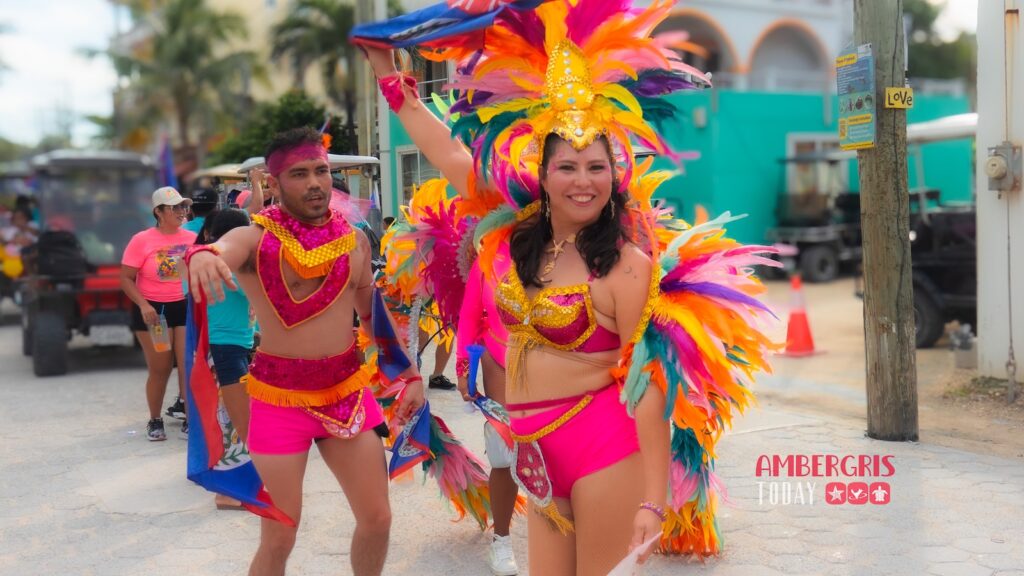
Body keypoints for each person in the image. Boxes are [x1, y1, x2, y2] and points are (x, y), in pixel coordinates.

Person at [356, 1, 776, 572]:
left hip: (603, 450)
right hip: (534, 451)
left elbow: (648, 387)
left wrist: (655, 499)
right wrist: (389, 76)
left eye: (596, 167)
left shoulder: (625, 266)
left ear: (616, 173)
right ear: (543, 174)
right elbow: (446, 151)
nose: (583, 182)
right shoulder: (516, 234)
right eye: (568, 167)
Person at [186, 126, 424, 576]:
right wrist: (203, 254)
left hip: (345, 394)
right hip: (279, 401)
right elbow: (223, 247)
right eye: (299, 173)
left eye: (321, 171)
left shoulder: (355, 240)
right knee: (280, 532)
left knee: (378, 518)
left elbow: (372, 316)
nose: (315, 182)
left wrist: (409, 374)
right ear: (273, 184)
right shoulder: (255, 238)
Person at [456, 250, 519, 575]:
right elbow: (469, 315)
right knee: (503, 452)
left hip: (557, 363)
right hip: (499, 355)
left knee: (557, 453)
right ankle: (502, 539)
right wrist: (463, 364)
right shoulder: (490, 255)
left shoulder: (567, 245)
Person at [121, 187, 196, 441]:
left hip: (184, 307)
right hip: (155, 312)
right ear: (159, 212)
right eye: (175, 207)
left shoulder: (191, 237)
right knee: (161, 368)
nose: (181, 212)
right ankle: (155, 420)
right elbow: (126, 279)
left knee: (187, 363)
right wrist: (143, 305)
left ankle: (188, 415)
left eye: (183, 207)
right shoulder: (142, 240)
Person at [195, 208, 257, 510]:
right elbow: (256, 294)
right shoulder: (227, 266)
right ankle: (227, 491)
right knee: (233, 420)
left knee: (235, 417)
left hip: (233, 346)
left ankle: (235, 485)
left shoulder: (217, 261)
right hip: (226, 349)